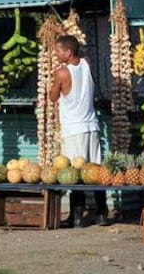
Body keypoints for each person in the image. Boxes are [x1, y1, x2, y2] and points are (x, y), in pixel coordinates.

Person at [49, 35, 107, 228]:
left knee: (75, 172)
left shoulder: (61, 73)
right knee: (96, 170)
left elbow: (53, 97)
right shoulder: (86, 64)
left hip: (74, 130)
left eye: (58, 50)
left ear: (68, 52)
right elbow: (80, 54)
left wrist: (54, 81)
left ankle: (77, 217)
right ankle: (101, 214)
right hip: (91, 126)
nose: (55, 54)